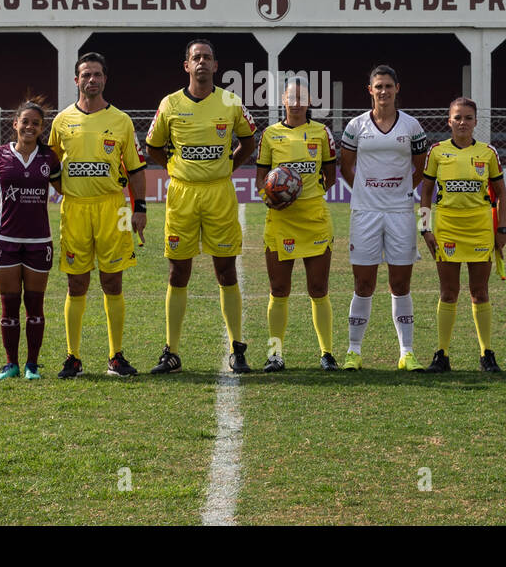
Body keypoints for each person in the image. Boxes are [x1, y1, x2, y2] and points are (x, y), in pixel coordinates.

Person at [144, 39, 257, 374]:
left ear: (216, 65)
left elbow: (249, 141)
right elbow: (153, 147)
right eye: (196, 58)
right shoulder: (170, 104)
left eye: (207, 57)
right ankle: (172, 351)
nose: (202, 63)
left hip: (219, 193)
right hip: (182, 194)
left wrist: (227, 167)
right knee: (179, 272)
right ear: (187, 66)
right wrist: (175, 168)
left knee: (226, 269)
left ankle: (237, 348)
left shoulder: (231, 102)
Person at [46, 52, 148, 378]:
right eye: (86, 75)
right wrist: (64, 189)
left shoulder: (121, 120)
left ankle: (115, 356)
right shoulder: (61, 121)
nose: (92, 80)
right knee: (76, 283)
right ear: (76, 80)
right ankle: (73, 358)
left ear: (105, 79)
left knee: (112, 281)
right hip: (75, 209)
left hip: (113, 207)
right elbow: (49, 163)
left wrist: (140, 207)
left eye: (97, 75)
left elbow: (135, 168)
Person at [338, 65, 430, 371]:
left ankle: (407, 352)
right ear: (370, 90)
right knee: (363, 283)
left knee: (400, 283)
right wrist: (367, 191)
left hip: (400, 212)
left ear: (397, 89)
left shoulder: (412, 126)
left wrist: (399, 192)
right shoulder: (356, 126)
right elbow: (346, 166)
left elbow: (419, 168)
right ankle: (353, 351)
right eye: (378, 86)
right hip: (365, 212)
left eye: (388, 86)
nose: (384, 92)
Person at [0, 98, 64, 380]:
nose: (29, 127)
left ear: (41, 128)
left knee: (35, 305)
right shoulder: (0, 155)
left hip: (39, 242)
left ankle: (32, 365)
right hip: (6, 240)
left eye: (35, 123)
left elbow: (66, 190)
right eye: (25, 122)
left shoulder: (49, 158)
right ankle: (10, 364)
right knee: (9, 304)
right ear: (15, 124)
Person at [418, 97, 506, 373]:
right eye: (457, 117)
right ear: (449, 121)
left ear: (475, 122)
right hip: (447, 229)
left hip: (480, 230)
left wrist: (501, 229)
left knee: (480, 292)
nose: (462, 122)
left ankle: (486, 353)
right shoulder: (436, 152)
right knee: (448, 293)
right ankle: (441, 354)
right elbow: (424, 193)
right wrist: (425, 227)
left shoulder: (488, 153)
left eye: (468, 118)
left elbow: (502, 194)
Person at [255, 76, 338, 372]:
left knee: (318, 289)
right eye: (292, 97)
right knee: (279, 289)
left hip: (314, 220)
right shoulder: (270, 135)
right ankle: (275, 354)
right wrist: (274, 199)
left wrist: (307, 196)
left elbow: (330, 175)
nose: (297, 102)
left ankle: (327, 353)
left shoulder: (321, 133)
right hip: (280, 221)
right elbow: (260, 181)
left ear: (310, 102)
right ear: (283, 100)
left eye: (302, 97)